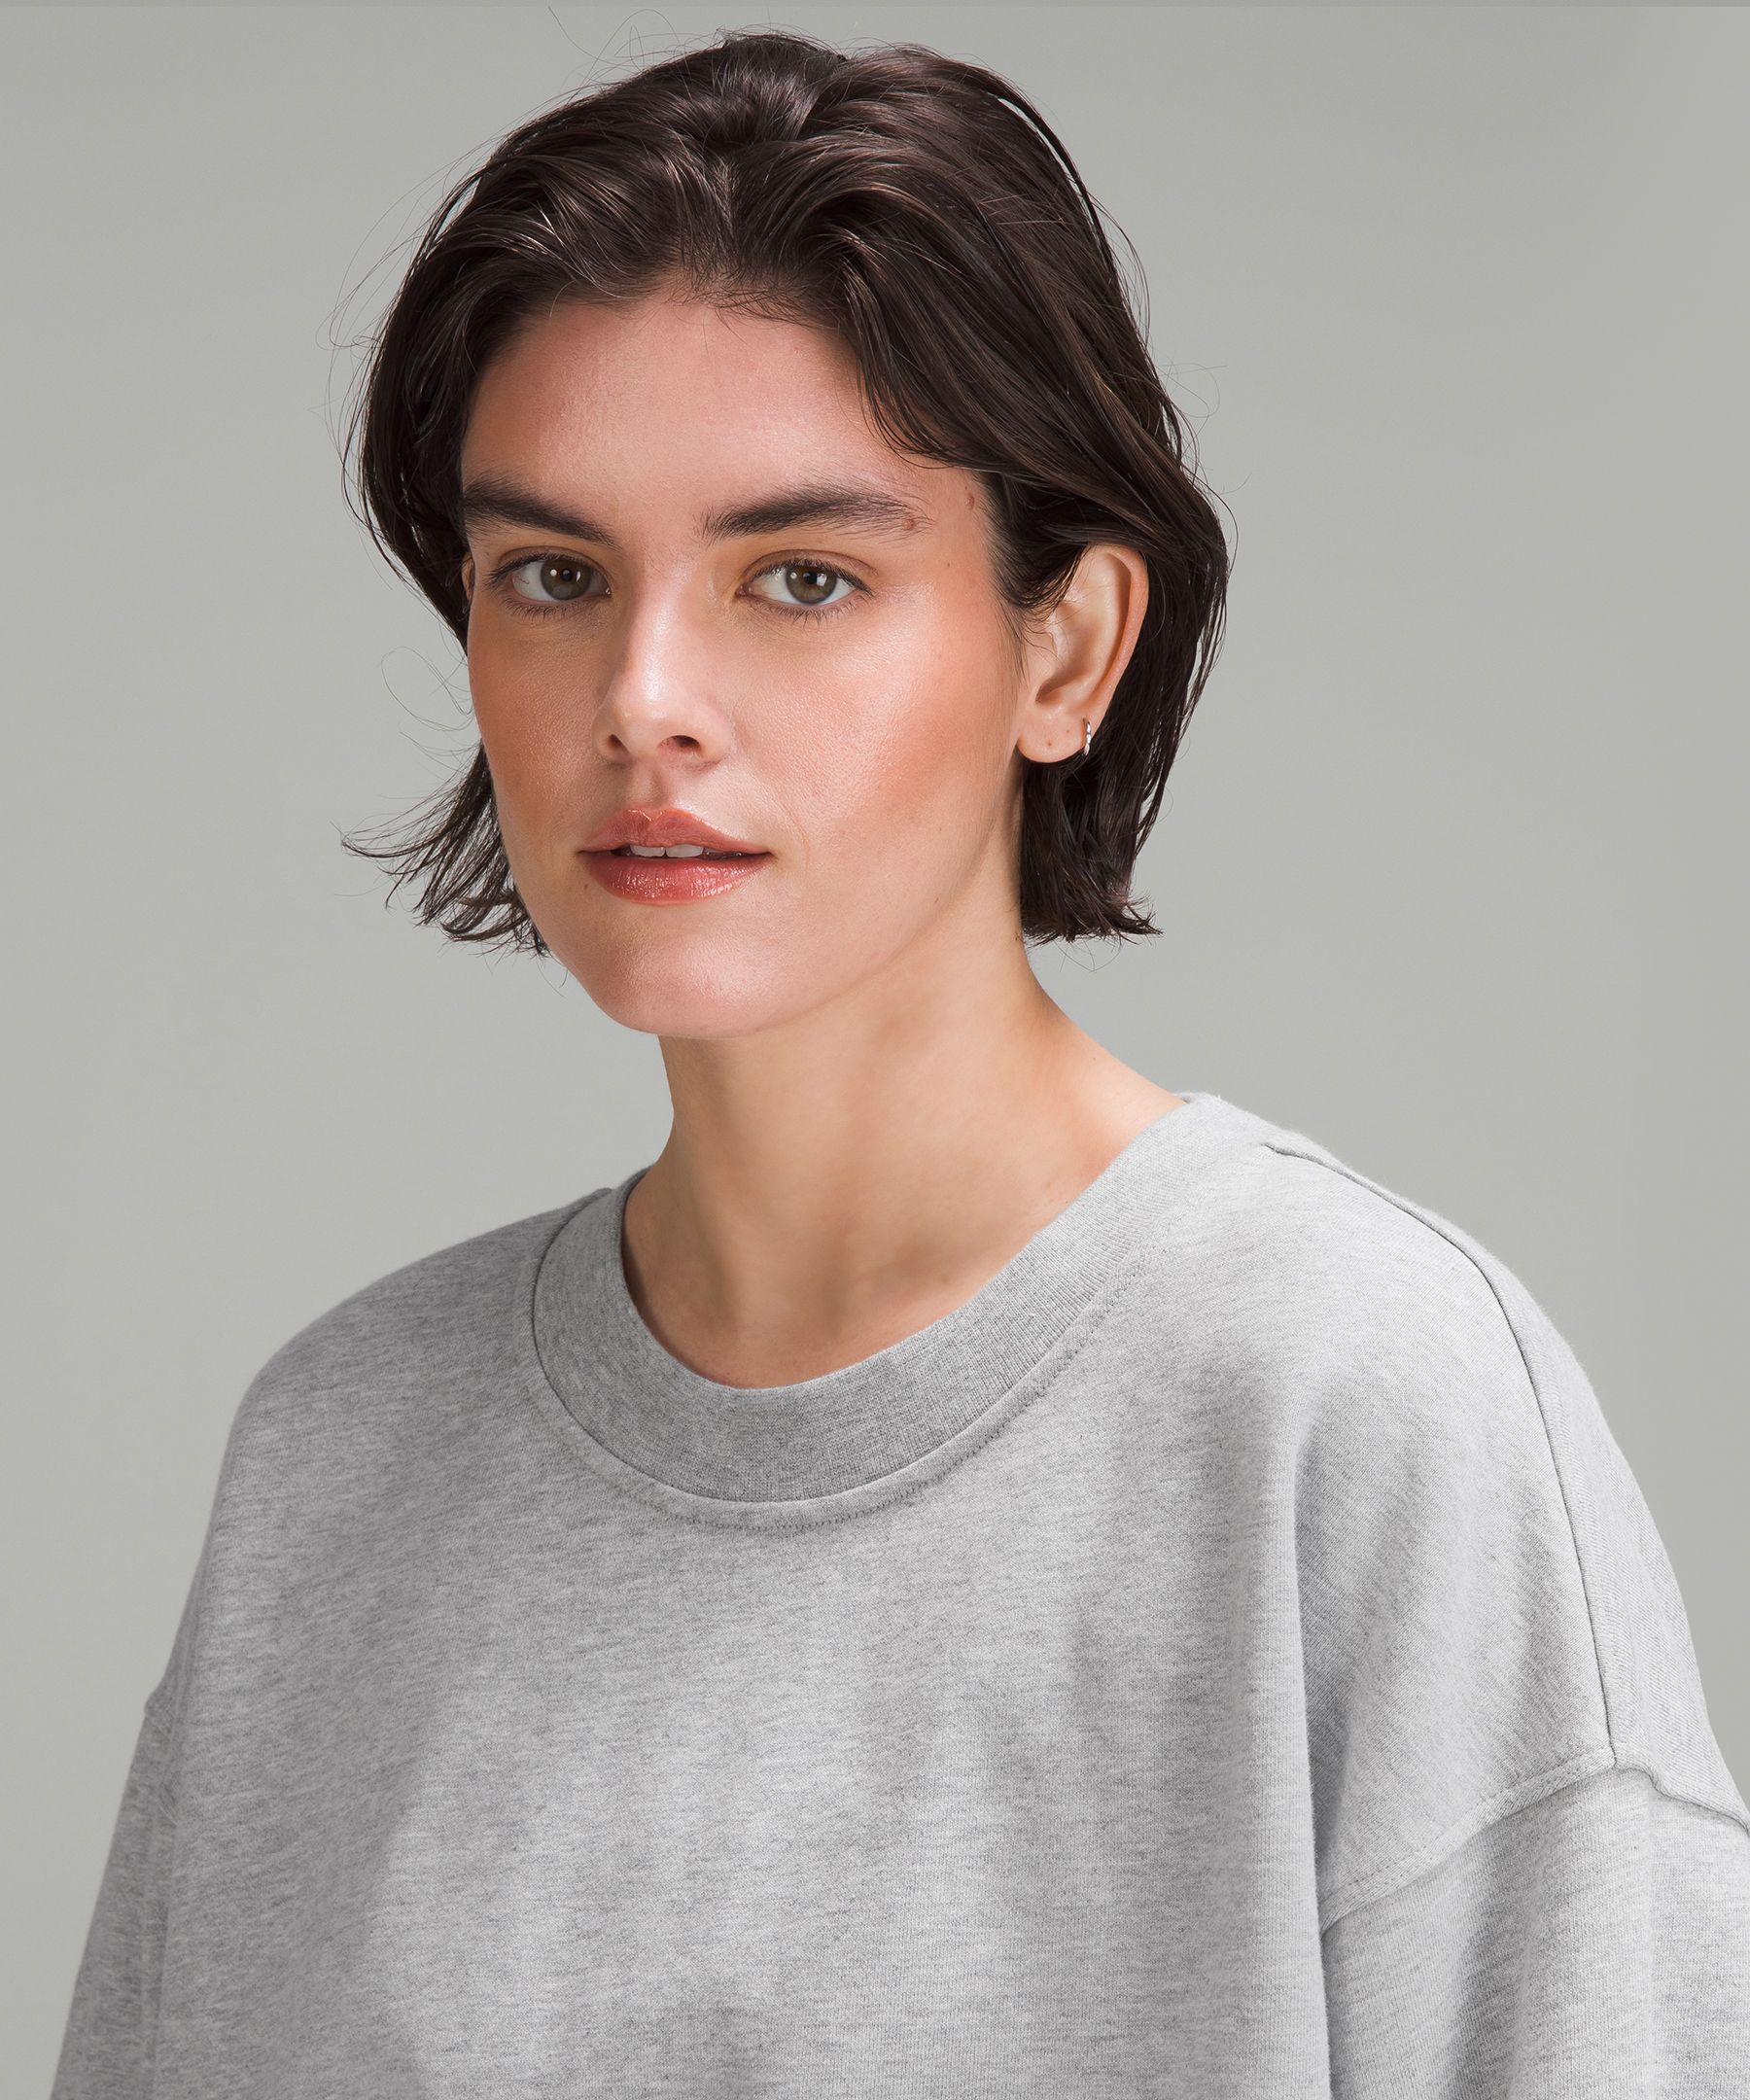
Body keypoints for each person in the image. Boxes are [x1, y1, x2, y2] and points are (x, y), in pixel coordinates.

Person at [52, 25, 1750, 2098]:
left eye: (802, 578)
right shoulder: (339, 1463)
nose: (644, 698)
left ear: (1067, 647)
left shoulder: (1355, 1413)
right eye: (554, 576)